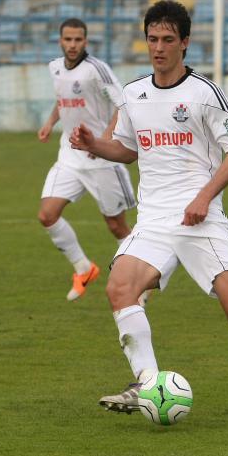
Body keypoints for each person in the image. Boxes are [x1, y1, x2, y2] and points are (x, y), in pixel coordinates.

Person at [69, 0, 228, 424]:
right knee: (120, 289)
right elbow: (128, 150)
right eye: (152, 39)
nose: (158, 48)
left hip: (200, 220)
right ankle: (147, 383)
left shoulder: (203, 94)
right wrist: (93, 144)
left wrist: (204, 197)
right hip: (154, 220)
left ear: (184, 43)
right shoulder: (134, 94)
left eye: (168, 40)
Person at [38, 18, 140, 302]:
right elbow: (63, 99)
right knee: (47, 215)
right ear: (60, 41)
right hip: (69, 156)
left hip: (102, 160)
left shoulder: (97, 70)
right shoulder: (55, 67)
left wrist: (104, 141)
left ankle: (139, 280)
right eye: (68, 40)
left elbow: (123, 104)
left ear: (86, 41)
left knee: (117, 227)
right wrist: (49, 123)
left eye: (78, 40)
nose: (72, 45)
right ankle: (83, 268)